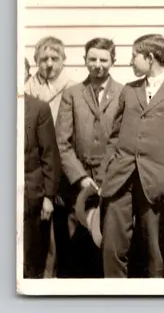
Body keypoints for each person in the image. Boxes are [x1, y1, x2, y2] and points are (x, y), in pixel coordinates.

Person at [100, 34, 164, 278]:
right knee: (112, 245)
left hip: (157, 182)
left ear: (150, 58)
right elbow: (114, 135)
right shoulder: (130, 90)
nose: (130, 61)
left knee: (156, 250)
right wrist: (108, 168)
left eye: (134, 56)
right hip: (120, 178)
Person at [54, 38, 123, 278]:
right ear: (84, 60)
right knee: (76, 244)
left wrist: (106, 176)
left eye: (104, 59)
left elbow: (122, 140)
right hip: (79, 185)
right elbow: (62, 142)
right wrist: (81, 178)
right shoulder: (72, 94)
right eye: (92, 59)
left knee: (106, 242)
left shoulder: (124, 93)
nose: (98, 65)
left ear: (113, 61)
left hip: (111, 180)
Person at [24, 36, 77, 278]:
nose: (49, 64)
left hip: (64, 165)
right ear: (35, 61)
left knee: (63, 225)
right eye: (43, 59)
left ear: (64, 60)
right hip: (36, 166)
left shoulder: (72, 87)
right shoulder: (27, 89)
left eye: (55, 59)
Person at [23, 94, 60, 278]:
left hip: (31, 199)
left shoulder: (39, 108)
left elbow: (49, 156)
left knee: (31, 261)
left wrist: (49, 197)